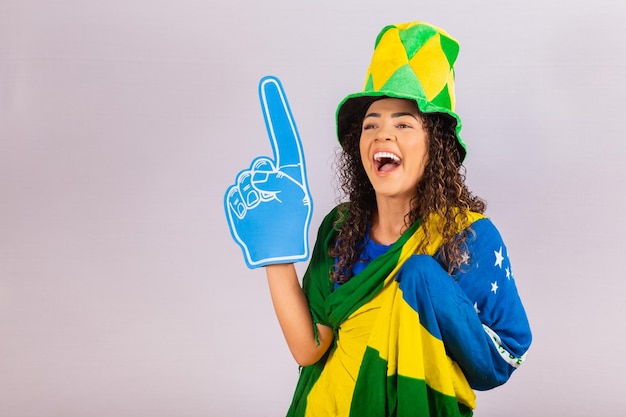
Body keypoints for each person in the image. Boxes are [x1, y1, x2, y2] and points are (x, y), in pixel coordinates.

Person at [261, 22, 531, 416]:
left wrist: (427, 286)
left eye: (403, 124)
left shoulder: (467, 236)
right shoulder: (340, 228)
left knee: (420, 271)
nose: (382, 134)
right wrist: (275, 252)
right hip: (327, 407)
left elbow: (497, 363)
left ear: (436, 146)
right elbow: (310, 348)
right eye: (371, 124)